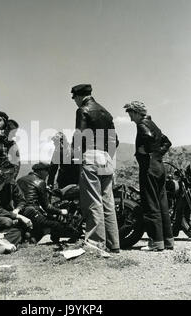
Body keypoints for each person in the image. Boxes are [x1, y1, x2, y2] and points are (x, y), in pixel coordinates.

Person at [71, 84, 120, 253]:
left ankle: (96, 243)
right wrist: (108, 156)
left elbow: (79, 136)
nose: (75, 102)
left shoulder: (83, 110)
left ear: (78, 96)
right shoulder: (106, 112)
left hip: (90, 155)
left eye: (74, 98)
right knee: (108, 201)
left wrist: (77, 160)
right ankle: (113, 244)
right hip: (106, 157)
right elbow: (115, 140)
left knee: (93, 201)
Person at [123, 101, 174, 251]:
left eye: (131, 113)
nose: (130, 117)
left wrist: (147, 150)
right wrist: (157, 153)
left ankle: (156, 242)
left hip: (149, 169)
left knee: (151, 204)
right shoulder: (154, 124)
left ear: (138, 113)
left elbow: (149, 136)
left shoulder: (142, 125)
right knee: (162, 205)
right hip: (159, 167)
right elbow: (167, 142)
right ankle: (168, 240)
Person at [17, 162, 79, 243]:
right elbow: (47, 207)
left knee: (45, 223)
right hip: (32, 212)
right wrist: (61, 211)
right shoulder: (40, 182)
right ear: (41, 171)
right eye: (47, 171)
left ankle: (32, 237)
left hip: (20, 211)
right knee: (57, 224)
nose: (47, 174)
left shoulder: (20, 180)